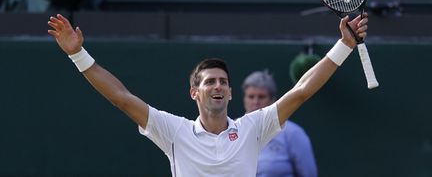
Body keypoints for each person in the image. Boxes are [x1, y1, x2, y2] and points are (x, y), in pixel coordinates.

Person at [47, 12, 368, 177]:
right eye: (210, 81)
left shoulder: (252, 129)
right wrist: (78, 55)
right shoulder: (173, 131)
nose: (218, 86)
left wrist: (344, 46)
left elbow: (301, 92)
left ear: (230, 92)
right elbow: (121, 97)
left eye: (223, 82)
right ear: (194, 93)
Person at [242, 70, 317, 177]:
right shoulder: (233, 130)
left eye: (261, 96)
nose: (255, 102)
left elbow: (309, 174)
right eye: (251, 96)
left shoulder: (293, 133)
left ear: (272, 100)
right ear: (244, 99)